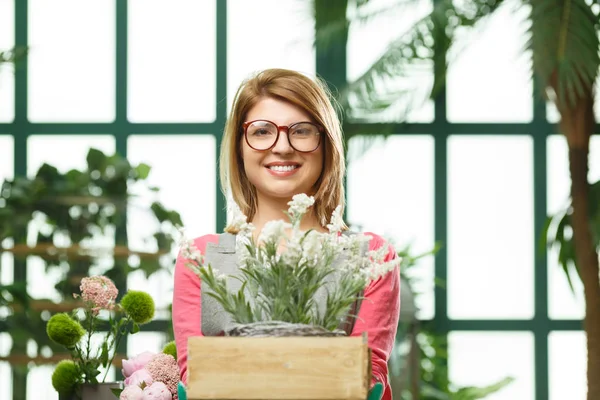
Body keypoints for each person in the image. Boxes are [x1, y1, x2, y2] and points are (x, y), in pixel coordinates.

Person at [172, 68, 401, 400]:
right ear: (239, 147)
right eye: (262, 131)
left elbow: (366, 380)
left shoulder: (371, 257)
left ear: (326, 145)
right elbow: (197, 379)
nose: (282, 147)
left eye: (302, 131)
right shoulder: (200, 258)